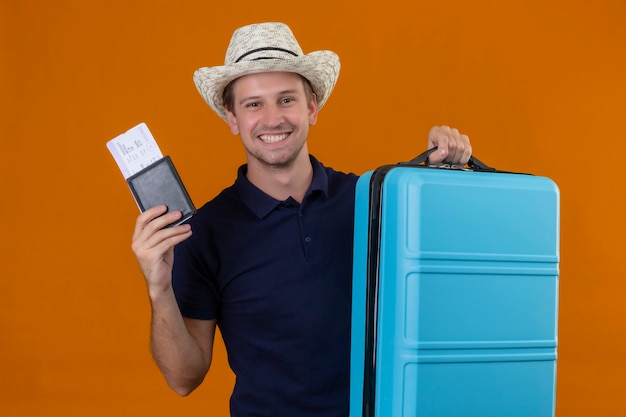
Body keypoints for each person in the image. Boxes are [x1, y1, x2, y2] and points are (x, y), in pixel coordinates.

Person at [131, 22, 471, 417]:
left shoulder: (372, 199)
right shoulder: (204, 231)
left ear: (312, 107)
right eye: (254, 104)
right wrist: (159, 290)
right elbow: (183, 378)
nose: (273, 119)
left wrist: (444, 174)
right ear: (232, 118)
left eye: (286, 99)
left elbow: (450, 285)